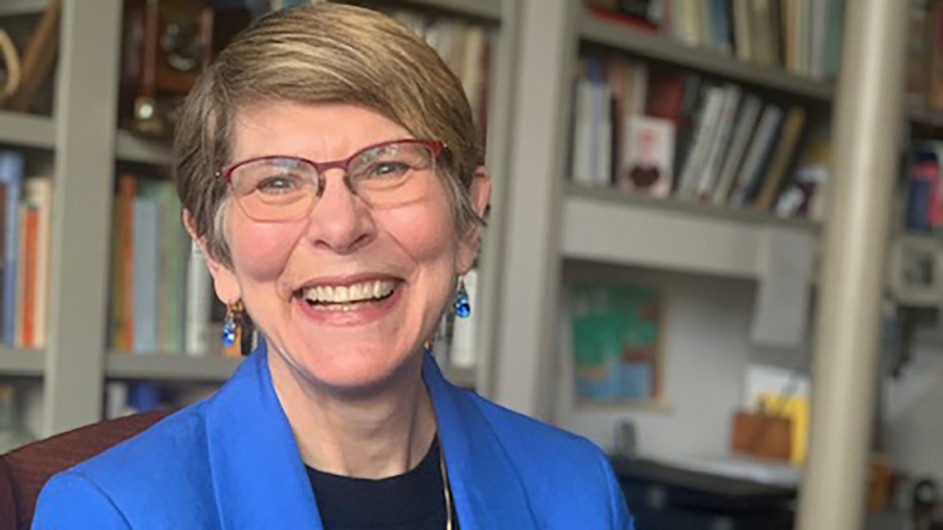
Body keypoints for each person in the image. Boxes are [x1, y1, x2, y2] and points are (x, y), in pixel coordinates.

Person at [32, 4, 634, 529]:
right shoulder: (112, 513)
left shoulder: (578, 490)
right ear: (215, 253)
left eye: (388, 167)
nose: (341, 226)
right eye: (276, 181)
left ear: (469, 219)